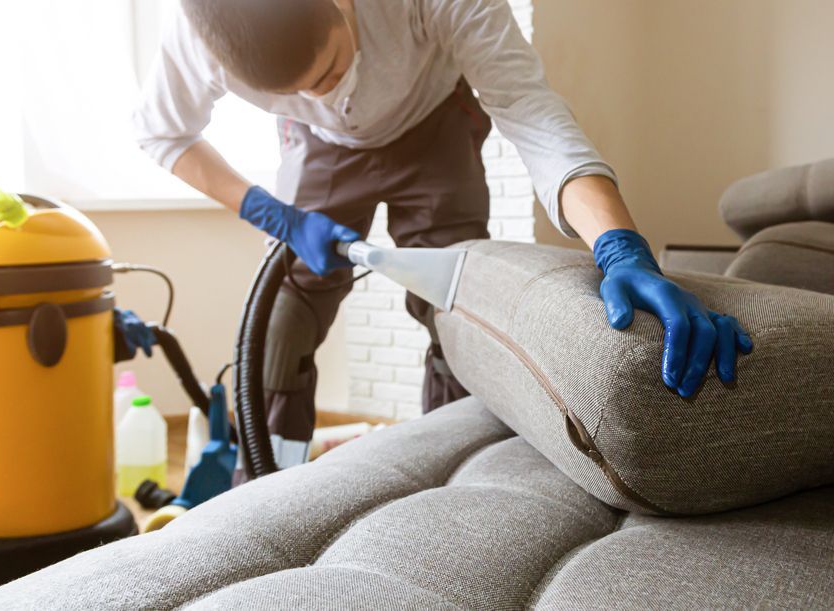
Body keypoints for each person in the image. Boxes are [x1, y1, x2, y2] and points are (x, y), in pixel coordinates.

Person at [133, 0, 752, 446]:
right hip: (316, 148)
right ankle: (270, 481)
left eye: (327, 72)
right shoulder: (198, 29)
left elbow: (529, 109)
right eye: (292, 91)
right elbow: (163, 134)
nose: (324, 95)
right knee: (281, 323)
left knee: (456, 308)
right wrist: (276, 216)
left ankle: (451, 467)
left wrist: (619, 246)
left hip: (434, 121)